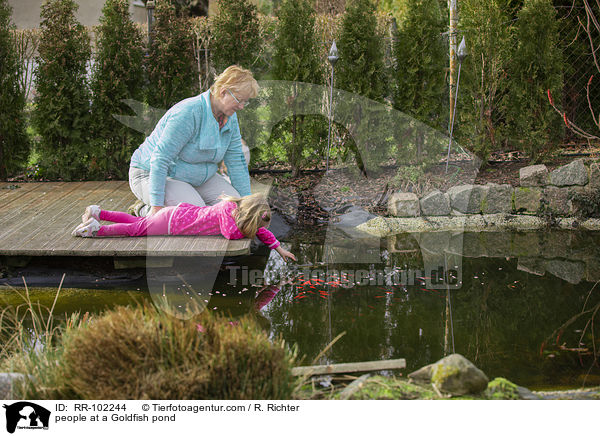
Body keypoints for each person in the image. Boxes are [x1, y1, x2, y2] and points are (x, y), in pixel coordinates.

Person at [129, 65, 258, 217]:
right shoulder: (188, 113)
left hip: (198, 178)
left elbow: (236, 161)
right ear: (224, 92)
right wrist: (157, 206)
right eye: (239, 100)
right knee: (196, 217)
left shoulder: (230, 117)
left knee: (235, 211)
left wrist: (246, 204)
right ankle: (143, 209)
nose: (242, 107)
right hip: (153, 174)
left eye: (245, 102)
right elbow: (160, 159)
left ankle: (180, 201)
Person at [71, 194, 296, 262]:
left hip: (175, 215)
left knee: (137, 223)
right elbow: (231, 234)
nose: (255, 229)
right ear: (247, 216)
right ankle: (96, 229)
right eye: (254, 224)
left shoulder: (235, 210)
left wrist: (278, 248)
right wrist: (250, 230)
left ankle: (99, 212)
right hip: (172, 222)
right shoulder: (226, 211)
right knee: (135, 231)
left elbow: (259, 230)